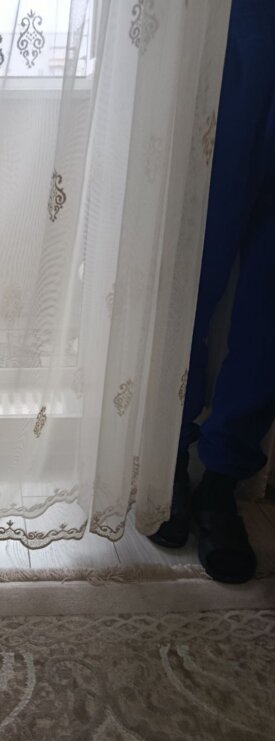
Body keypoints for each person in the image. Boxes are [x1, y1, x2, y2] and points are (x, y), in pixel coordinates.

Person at [149, 0, 275, 584]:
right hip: (232, 23)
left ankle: (220, 481)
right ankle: (167, 458)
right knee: (190, 273)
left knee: (270, 310)